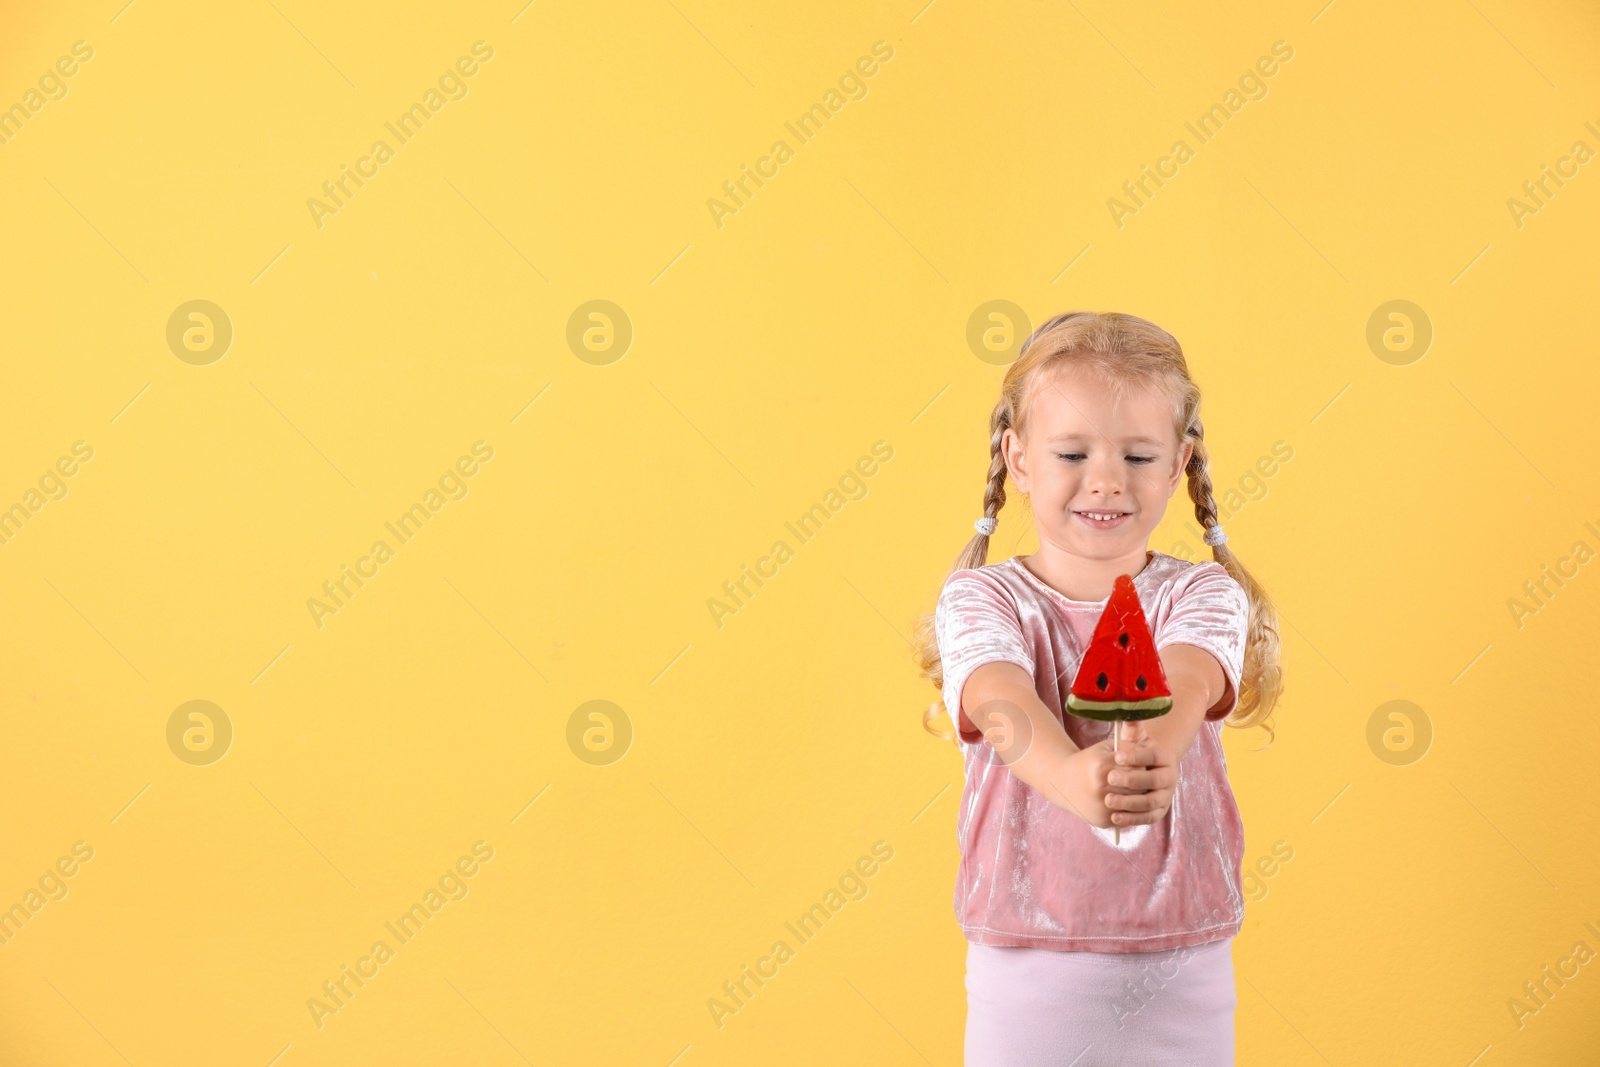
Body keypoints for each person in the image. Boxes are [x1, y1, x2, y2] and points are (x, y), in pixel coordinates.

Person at [912, 311, 1285, 1065]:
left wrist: (1156, 752)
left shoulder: (1205, 594)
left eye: (1139, 454)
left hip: (1185, 954)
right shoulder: (980, 599)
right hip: (1024, 957)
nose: (1107, 479)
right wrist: (1068, 776)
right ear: (1017, 459)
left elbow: (1186, 676)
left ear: (1179, 465)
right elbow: (999, 698)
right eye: (1073, 451)